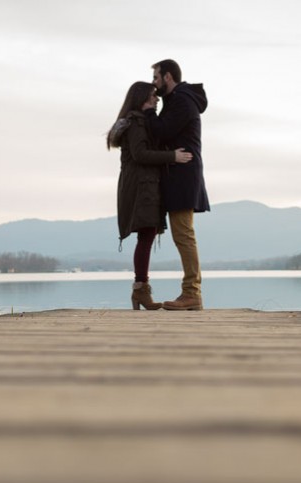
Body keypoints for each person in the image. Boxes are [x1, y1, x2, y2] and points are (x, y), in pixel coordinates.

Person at [107, 82, 193, 310]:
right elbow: (140, 153)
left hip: (146, 185)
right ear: (142, 98)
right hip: (141, 187)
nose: (156, 99)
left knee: (147, 235)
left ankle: (141, 291)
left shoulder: (141, 120)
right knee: (146, 235)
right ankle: (140, 289)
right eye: (153, 95)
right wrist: (171, 156)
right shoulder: (136, 122)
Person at [145, 59, 209, 311]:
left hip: (183, 175)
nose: (154, 83)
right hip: (179, 174)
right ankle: (191, 292)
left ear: (168, 77)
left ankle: (192, 292)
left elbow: (163, 131)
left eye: (156, 78)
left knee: (184, 235)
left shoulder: (182, 100)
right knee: (182, 235)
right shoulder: (177, 100)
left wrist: (149, 110)